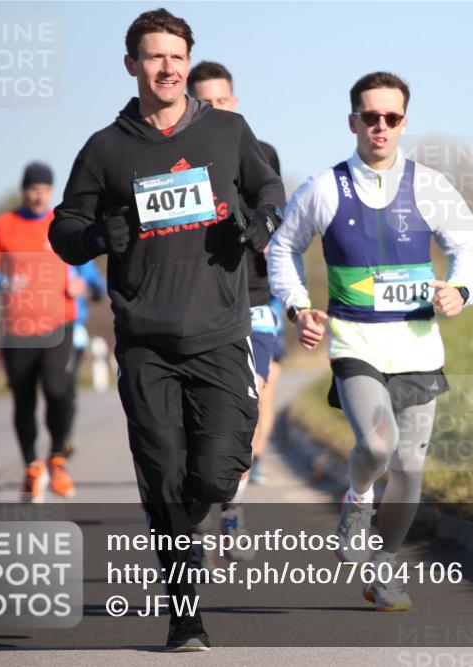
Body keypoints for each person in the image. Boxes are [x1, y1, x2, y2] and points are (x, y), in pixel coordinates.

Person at [48, 9, 284, 651]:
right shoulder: (106, 148)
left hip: (219, 335)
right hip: (146, 342)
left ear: (188, 61)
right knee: (162, 476)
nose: (168, 67)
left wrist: (258, 226)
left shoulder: (229, 132)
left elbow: (271, 193)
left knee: (212, 479)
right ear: (132, 66)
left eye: (177, 56)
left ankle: (202, 508)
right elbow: (63, 232)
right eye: (154, 56)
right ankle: (186, 614)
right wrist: (100, 235)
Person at [268, 72, 473, 611]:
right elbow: (281, 249)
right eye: (370, 116)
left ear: (404, 122)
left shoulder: (429, 186)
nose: (379, 127)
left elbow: (468, 246)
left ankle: (384, 571)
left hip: (417, 347)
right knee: (379, 446)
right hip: (355, 342)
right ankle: (357, 498)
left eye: (391, 118)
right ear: (353, 122)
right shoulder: (324, 188)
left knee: (410, 467)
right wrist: (298, 308)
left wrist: (460, 290)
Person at [186, 62, 282, 562]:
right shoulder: (177, 157)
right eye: (206, 102)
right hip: (200, 298)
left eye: (223, 101)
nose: (216, 110)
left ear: (235, 102)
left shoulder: (259, 153)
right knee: (202, 417)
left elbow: (276, 209)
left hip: (257, 295)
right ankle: (205, 498)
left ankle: (233, 498)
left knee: (255, 396)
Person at [0, 162, 82, 502]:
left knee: (58, 389)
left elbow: (86, 270)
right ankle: (32, 466)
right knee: (23, 399)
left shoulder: (61, 224)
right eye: (33, 189)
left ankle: (57, 459)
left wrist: (87, 286)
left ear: (52, 192)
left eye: (45, 190)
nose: (39, 196)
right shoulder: (2, 226)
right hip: (18, 328)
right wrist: (4, 281)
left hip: (58, 324)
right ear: (24, 191)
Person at [62, 260, 106, 459]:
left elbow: (99, 289)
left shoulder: (70, 254)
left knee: (64, 384)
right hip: (33, 330)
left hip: (71, 329)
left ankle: (65, 437)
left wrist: (85, 288)